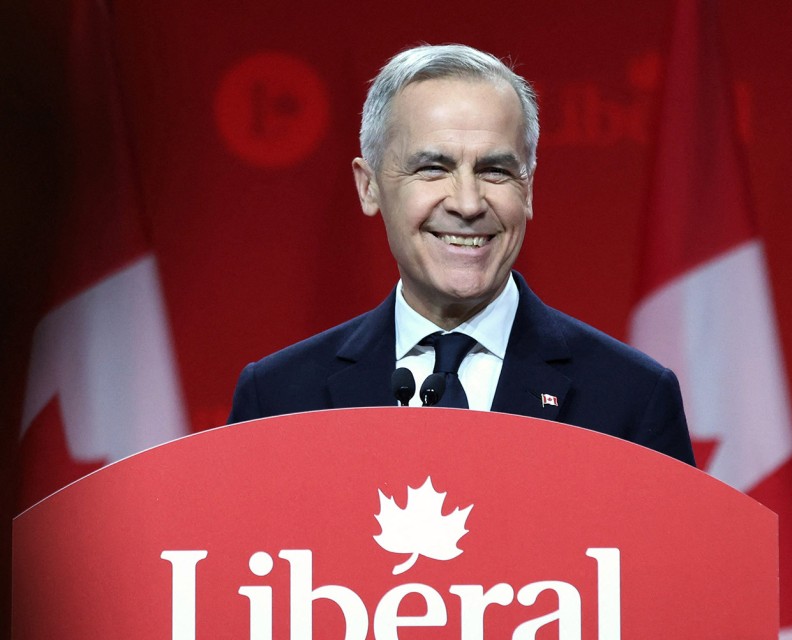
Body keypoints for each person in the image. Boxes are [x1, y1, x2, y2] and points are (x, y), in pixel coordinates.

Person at [228, 44, 696, 466]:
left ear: (527, 189)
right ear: (369, 187)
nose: (468, 204)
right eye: (433, 169)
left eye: (495, 171)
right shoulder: (279, 398)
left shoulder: (631, 397)